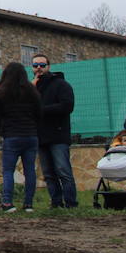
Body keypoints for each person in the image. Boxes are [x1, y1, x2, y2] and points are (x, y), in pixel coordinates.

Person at [0, 61, 40, 213]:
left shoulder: (1, 92)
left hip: (11, 136)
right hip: (30, 135)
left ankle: (7, 202)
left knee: (8, 171)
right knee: (30, 170)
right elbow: (39, 113)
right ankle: (28, 204)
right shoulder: (32, 91)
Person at [33, 54, 78, 208]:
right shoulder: (33, 87)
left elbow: (67, 106)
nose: (38, 68)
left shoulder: (61, 85)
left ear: (49, 66)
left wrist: (42, 110)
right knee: (48, 173)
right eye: (35, 65)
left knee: (63, 171)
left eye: (42, 65)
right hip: (40, 136)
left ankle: (71, 202)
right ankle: (56, 202)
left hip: (58, 135)